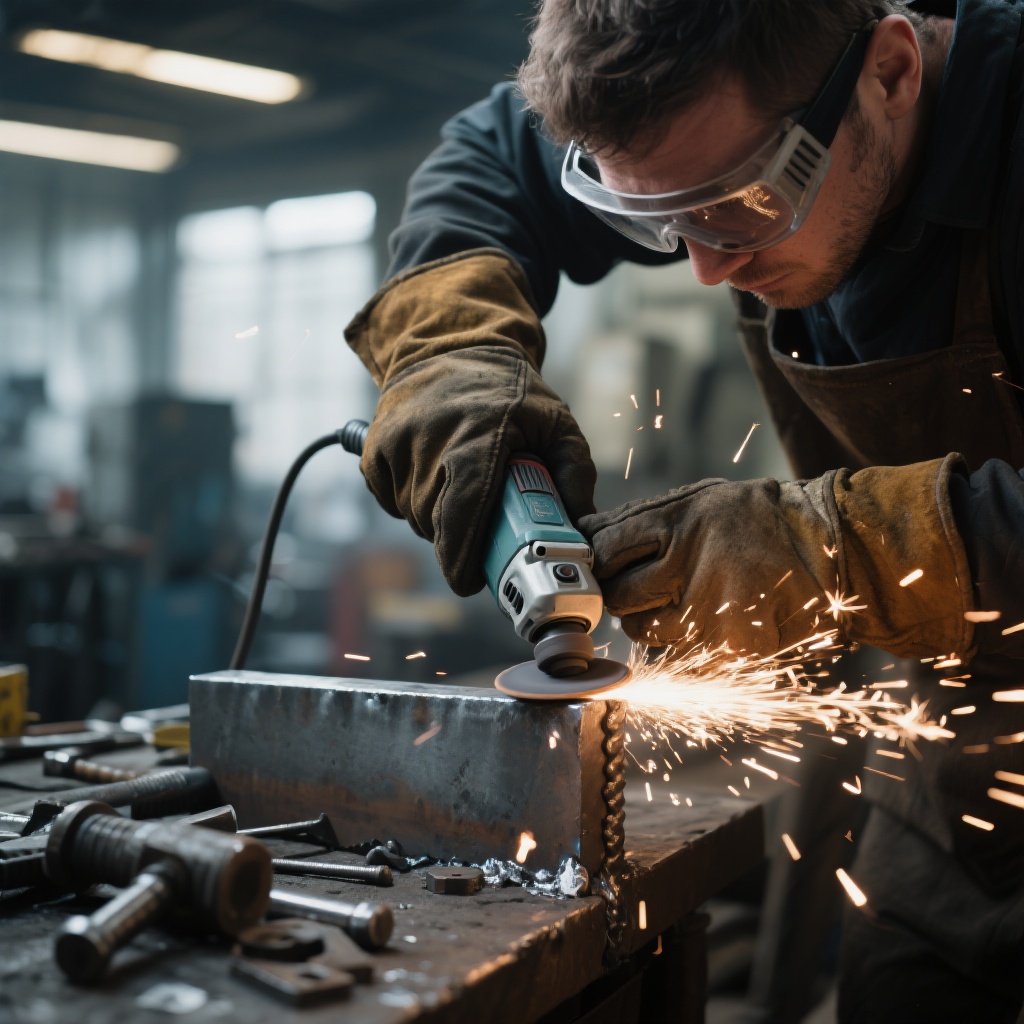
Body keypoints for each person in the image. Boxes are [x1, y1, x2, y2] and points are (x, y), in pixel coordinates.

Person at [344, 1, 1024, 1018]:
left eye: (738, 206)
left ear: (887, 71)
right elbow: (489, 154)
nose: (704, 264)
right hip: (971, 740)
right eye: (661, 219)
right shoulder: (730, 128)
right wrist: (449, 358)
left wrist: (834, 554)